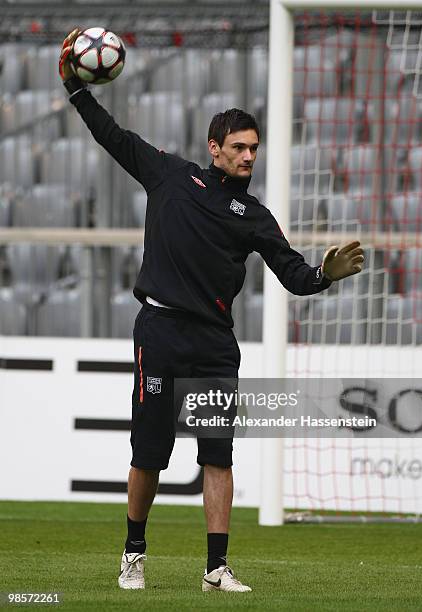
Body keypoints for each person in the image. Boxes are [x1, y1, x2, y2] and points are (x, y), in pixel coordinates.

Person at [59, 29, 364, 593]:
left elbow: (293, 276)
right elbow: (113, 137)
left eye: (255, 148)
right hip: (160, 330)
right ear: (215, 146)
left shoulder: (254, 215)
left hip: (214, 343)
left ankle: (215, 569)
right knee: (150, 452)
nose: (250, 156)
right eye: (241, 147)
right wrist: (77, 92)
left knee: (218, 456)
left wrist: (325, 276)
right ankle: (133, 553)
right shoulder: (170, 175)